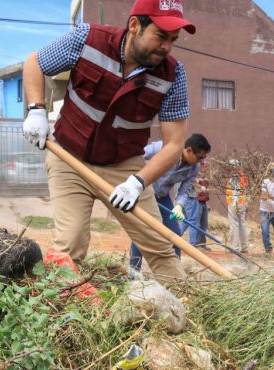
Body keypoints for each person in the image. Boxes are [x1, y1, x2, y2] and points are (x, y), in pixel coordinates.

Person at [21, 0, 196, 282]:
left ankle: (186, 309)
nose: (166, 47)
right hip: (70, 160)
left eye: (173, 40)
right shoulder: (87, 40)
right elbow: (34, 62)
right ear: (135, 25)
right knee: (69, 246)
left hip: (124, 168)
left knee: (159, 245)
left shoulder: (173, 75)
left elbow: (174, 144)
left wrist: (138, 182)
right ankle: (59, 313)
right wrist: (36, 110)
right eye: (161, 36)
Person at [129, 133, 211, 271]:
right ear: (189, 150)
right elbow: (137, 157)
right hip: (144, 193)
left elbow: (184, 191)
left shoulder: (193, 168)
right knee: (143, 231)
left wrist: (179, 206)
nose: (200, 161)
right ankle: (133, 270)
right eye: (200, 157)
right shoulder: (162, 148)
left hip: (162, 196)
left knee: (175, 235)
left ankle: (175, 273)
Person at [181, 159, 210, 249]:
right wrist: (201, 187)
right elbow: (192, 181)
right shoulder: (192, 170)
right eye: (204, 166)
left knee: (186, 221)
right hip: (190, 197)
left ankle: (174, 239)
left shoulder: (201, 174)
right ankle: (193, 244)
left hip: (191, 198)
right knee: (193, 220)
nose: (206, 168)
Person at [225, 159, 249, 253]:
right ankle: (245, 247)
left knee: (234, 224)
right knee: (242, 224)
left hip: (234, 203)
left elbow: (235, 192)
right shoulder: (243, 176)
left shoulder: (234, 178)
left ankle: (234, 247)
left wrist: (234, 204)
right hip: (242, 202)